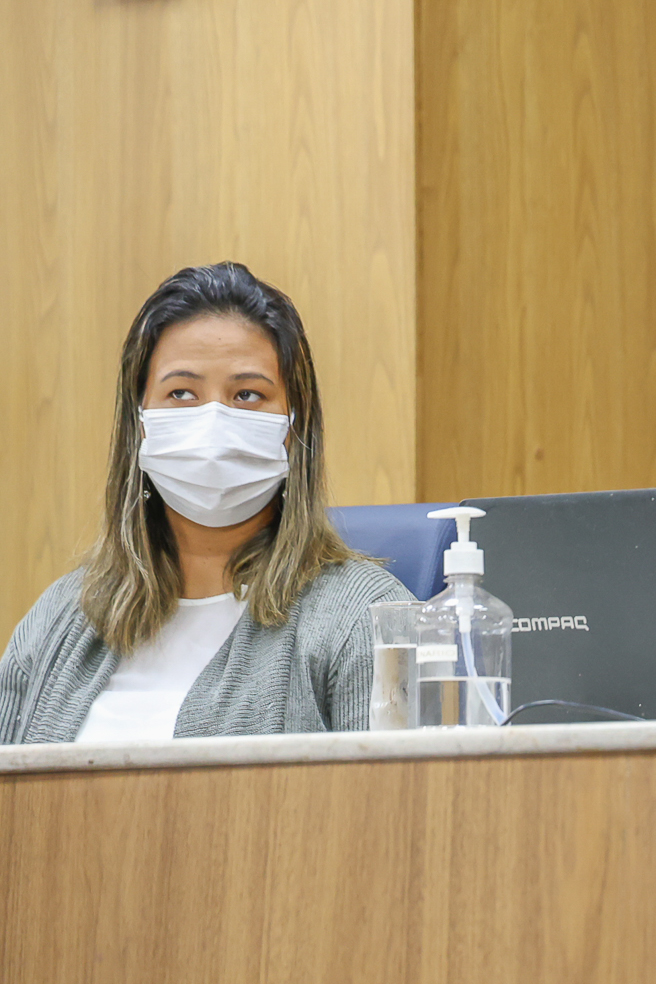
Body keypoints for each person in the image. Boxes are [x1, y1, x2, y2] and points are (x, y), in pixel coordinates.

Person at [0, 263, 408, 742]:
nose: (213, 419)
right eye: (181, 393)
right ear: (140, 422)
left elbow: (396, 790)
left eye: (247, 394)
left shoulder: (365, 619)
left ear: (294, 428)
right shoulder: (62, 616)